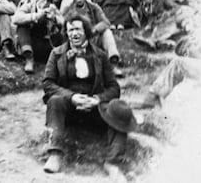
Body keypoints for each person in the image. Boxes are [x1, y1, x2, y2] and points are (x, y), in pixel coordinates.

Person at [42, 14, 136, 175]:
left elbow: (114, 87)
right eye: (70, 30)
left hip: (95, 109)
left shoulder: (100, 55)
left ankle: (113, 162)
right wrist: (72, 97)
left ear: (85, 31)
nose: (74, 33)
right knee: (55, 100)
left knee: (119, 110)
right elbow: (48, 84)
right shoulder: (56, 54)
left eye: (77, 29)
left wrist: (96, 100)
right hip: (69, 108)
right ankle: (55, 154)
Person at [61, 0, 124, 77]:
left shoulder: (94, 8)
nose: (78, 0)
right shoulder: (67, 10)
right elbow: (63, 28)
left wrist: (93, 30)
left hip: (94, 39)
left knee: (107, 33)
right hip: (77, 42)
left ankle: (113, 63)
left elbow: (106, 22)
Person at [12, 0, 63, 74]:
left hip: (44, 43)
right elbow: (16, 19)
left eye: (47, 0)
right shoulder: (29, 6)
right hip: (29, 43)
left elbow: (64, 22)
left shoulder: (52, 9)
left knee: (60, 32)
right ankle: (29, 59)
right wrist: (35, 16)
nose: (44, 2)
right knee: (22, 27)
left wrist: (54, 19)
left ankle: (58, 61)